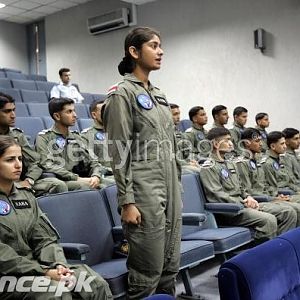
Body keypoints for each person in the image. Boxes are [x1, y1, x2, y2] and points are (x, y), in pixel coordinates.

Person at [103, 27, 182, 299]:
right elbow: (119, 151)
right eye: (154, 46)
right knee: (147, 272)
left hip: (169, 187)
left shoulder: (158, 94)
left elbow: (169, 145)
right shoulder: (121, 94)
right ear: (134, 52)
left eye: (161, 46)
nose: (160, 51)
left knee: (170, 267)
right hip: (144, 191)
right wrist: (127, 201)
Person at [0, 135, 113, 299]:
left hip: (40, 269)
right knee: (56, 293)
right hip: (8, 277)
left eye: (20, 158)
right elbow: (4, 258)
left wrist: (59, 265)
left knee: (93, 283)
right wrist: (45, 272)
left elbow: (45, 239)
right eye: (10, 160)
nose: (18, 165)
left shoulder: (25, 197)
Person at [199, 127, 296, 243]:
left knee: (288, 212)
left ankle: (282, 247)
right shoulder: (208, 167)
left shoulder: (230, 164)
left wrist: (248, 197)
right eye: (227, 140)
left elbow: (241, 188)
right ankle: (260, 254)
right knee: (269, 220)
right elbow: (217, 195)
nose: (231, 143)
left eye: (230, 140)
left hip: (243, 205)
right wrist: (243, 203)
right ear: (215, 144)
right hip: (231, 211)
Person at [0, 92, 68, 196]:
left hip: (19, 182)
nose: (13, 115)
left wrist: (29, 180)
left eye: (14, 110)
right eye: (7, 111)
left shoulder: (17, 135)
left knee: (58, 185)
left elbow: (35, 162)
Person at [35, 98, 104, 191]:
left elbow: (92, 161)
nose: (75, 115)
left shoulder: (76, 137)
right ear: (57, 116)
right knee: (86, 187)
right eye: (69, 112)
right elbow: (47, 165)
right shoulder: (44, 138)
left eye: (74, 111)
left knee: (111, 184)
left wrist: (96, 176)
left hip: (79, 178)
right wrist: (76, 178)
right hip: (60, 180)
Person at [236, 127, 300, 225]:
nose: (261, 144)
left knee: (294, 209)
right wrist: (272, 198)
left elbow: (265, 185)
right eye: (257, 141)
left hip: (268, 196)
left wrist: (276, 195)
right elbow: (248, 191)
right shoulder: (242, 163)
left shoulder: (257, 161)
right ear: (246, 143)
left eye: (261, 140)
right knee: (290, 212)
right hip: (259, 200)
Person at [80, 100, 115, 187]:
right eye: (103, 111)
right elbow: (91, 163)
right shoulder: (86, 135)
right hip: (104, 175)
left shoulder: (118, 132)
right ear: (94, 115)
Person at [263, 131, 300, 195]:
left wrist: (297, 190)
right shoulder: (267, 163)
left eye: (285, 143)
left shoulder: (282, 159)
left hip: (291, 190)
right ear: (273, 146)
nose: (285, 146)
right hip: (281, 194)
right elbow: (273, 187)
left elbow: (290, 181)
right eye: (282, 144)